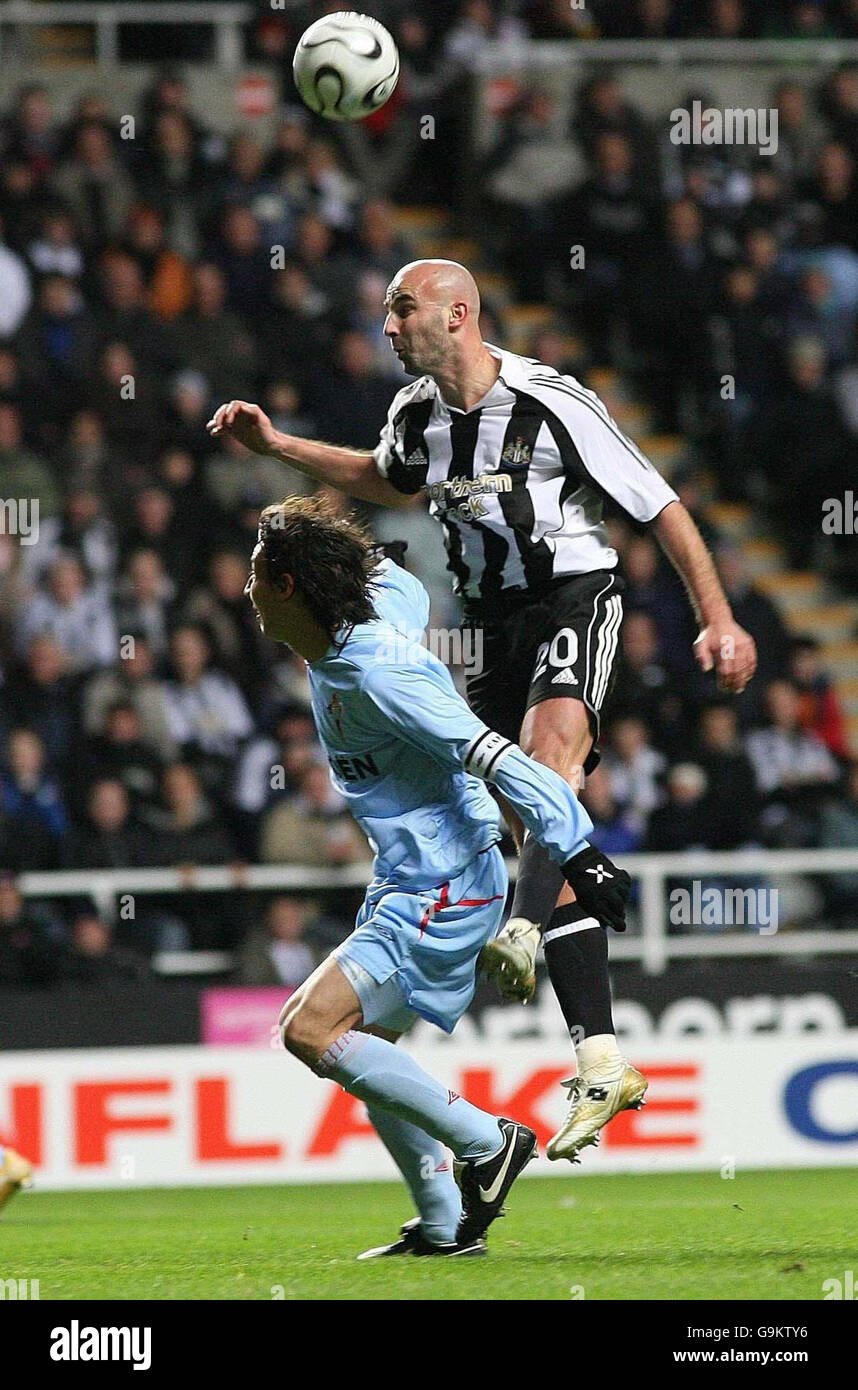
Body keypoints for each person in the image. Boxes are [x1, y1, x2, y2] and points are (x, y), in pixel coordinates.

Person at [207, 256, 756, 1161]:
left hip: (575, 597)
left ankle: (525, 926)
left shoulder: (551, 403)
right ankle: (602, 1055)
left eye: (402, 310)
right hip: (493, 627)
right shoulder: (417, 414)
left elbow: (661, 508)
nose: (388, 327)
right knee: (537, 819)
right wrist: (281, 450)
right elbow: (391, 481)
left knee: (547, 766)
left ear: (458, 315)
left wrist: (721, 618)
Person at [244, 495, 634, 1257]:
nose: (246, 588)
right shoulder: (363, 609)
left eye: (258, 574)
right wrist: (380, 558)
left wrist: (579, 850)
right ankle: (447, 1226)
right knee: (365, 1052)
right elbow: (402, 585)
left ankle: (488, 1144)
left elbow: (496, 757)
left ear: (290, 588)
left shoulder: (381, 675)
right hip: (410, 876)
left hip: (445, 883)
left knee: (308, 1029)